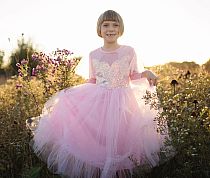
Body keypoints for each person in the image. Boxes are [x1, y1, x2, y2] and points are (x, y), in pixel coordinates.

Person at [26, 10, 169, 178]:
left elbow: (134, 76)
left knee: (122, 138)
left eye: (115, 25)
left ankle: (119, 172)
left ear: (121, 29)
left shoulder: (129, 51)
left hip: (123, 100)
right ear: (99, 29)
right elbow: (92, 80)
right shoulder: (93, 54)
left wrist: (147, 73)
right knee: (102, 139)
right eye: (106, 25)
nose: (111, 29)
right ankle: (103, 170)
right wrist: (72, 94)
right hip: (100, 100)